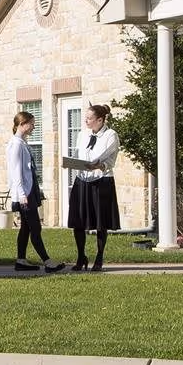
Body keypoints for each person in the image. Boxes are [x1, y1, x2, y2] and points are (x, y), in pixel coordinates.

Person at [64, 102, 122, 272]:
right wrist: (70, 161)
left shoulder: (111, 135)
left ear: (100, 120)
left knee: (100, 222)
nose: (86, 121)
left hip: (101, 181)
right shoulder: (83, 134)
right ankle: (81, 256)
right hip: (82, 180)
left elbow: (103, 157)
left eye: (89, 118)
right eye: (86, 118)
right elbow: (78, 153)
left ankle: (99, 257)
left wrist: (97, 165)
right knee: (78, 221)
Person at [6, 112, 66, 273]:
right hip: (24, 192)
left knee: (26, 227)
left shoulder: (21, 142)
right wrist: (22, 194)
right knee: (35, 227)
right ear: (22, 124)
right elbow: (16, 172)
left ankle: (21, 261)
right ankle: (48, 262)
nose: (34, 127)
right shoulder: (16, 144)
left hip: (29, 189)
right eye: (31, 124)